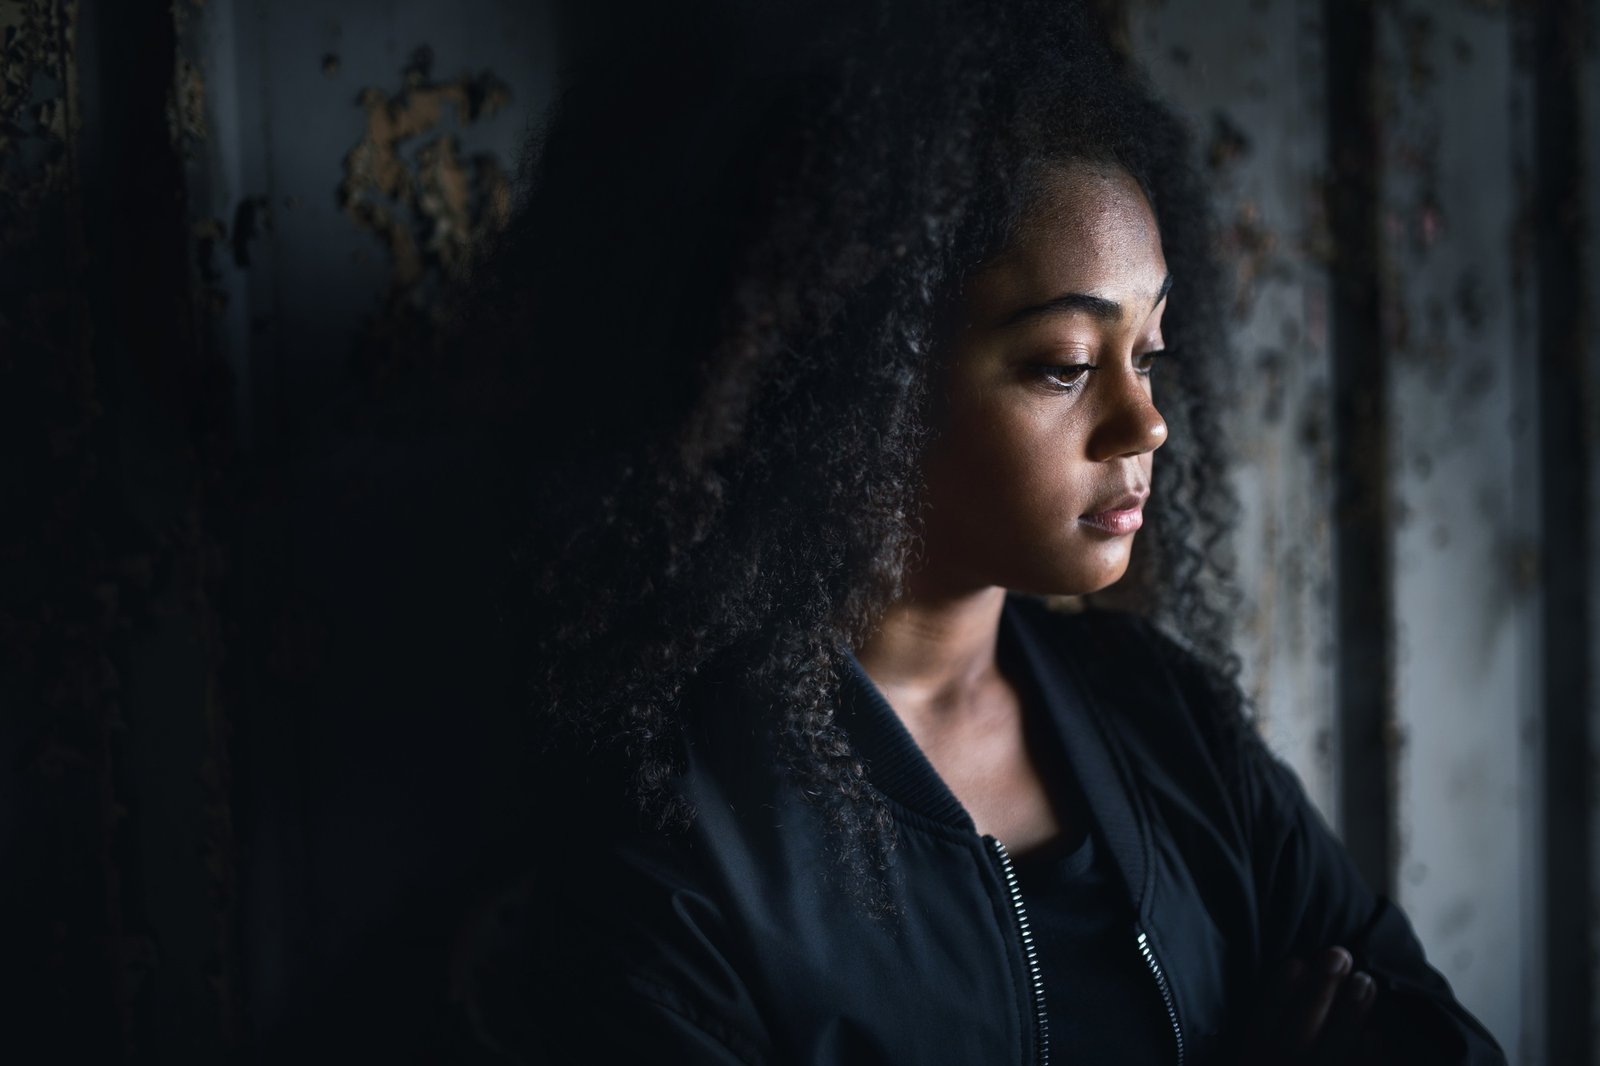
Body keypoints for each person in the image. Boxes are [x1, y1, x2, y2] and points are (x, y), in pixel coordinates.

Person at [449, 1, 1508, 1062]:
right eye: (1064, 363)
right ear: (863, 381)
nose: (1146, 421)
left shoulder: (1162, 719)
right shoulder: (678, 835)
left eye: (1149, 350)